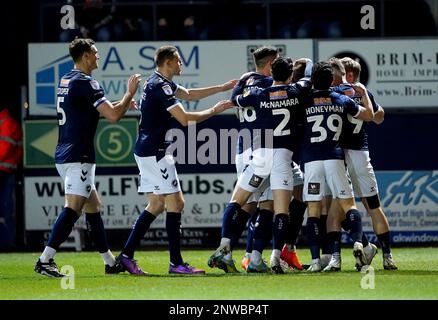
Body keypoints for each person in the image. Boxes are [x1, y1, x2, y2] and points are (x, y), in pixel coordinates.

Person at [116, 45, 236, 275]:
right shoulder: (160, 85)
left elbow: (190, 95)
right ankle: (176, 264)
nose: (182, 64)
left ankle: (126, 256)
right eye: (179, 60)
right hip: (155, 152)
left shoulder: (160, 82)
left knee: (157, 204)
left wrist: (221, 88)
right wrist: (214, 110)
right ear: (169, 62)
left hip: (147, 149)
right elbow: (184, 118)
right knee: (176, 203)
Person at [34, 38, 141, 277]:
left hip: (65, 153)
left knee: (94, 207)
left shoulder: (67, 79)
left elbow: (91, 111)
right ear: (84, 56)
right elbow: (113, 116)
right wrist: (128, 94)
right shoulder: (87, 83)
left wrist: (121, 103)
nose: (98, 56)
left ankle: (109, 262)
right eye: (94, 52)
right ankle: (45, 260)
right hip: (78, 155)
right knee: (73, 209)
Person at [209, 57, 306, 274]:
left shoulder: (259, 94)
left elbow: (236, 100)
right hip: (283, 159)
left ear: (272, 73)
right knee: (278, 210)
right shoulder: (296, 91)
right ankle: (273, 258)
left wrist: (240, 87)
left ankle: (224, 246)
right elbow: (307, 83)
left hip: (260, 157)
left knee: (237, 200)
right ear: (290, 75)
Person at [298, 61, 374, 272]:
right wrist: (364, 94)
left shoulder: (304, 100)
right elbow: (369, 115)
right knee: (348, 205)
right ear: (332, 80)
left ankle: (315, 261)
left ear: (313, 80)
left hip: (312, 160)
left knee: (313, 211)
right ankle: (359, 243)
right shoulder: (341, 99)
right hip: (334, 157)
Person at [337, 56, 397, 270]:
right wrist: (367, 100)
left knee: (338, 208)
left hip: (341, 155)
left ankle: (338, 256)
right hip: (360, 155)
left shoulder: (335, 93)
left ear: (349, 75)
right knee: (373, 206)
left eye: (340, 71)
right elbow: (378, 117)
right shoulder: (364, 93)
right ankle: (387, 257)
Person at [229, 46, 278, 272]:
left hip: (242, 149)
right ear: (270, 64)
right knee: (253, 204)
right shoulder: (270, 85)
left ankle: (251, 257)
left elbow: (233, 100)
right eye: (275, 63)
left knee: (258, 203)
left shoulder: (245, 79)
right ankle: (226, 249)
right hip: (259, 149)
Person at [0, 105, 22, 250]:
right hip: (5, 170)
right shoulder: (5, 121)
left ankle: (6, 243)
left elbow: (6, 147)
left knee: (5, 209)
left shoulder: (6, 122)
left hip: (4, 171)